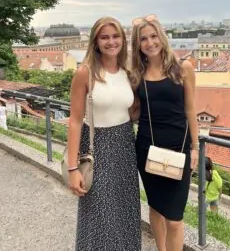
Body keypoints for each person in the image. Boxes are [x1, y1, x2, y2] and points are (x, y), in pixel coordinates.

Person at [67, 17, 141, 251]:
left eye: (116, 36)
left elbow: (131, 111)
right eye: (105, 37)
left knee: (125, 213)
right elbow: (75, 122)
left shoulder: (127, 72)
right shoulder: (85, 73)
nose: (111, 41)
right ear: (96, 42)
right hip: (96, 149)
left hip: (125, 148)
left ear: (123, 39)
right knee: (100, 216)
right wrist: (72, 169)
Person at [131, 14, 199, 251]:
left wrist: (195, 147)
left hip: (178, 150)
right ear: (137, 44)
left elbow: (190, 108)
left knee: (175, 219)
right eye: (143, 39)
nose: (150, 43)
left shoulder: (183, 68)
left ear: (162, 37)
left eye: (153, 36)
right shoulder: (137, 74)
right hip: (147, 149)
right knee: (156, 208)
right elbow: (134, 111)